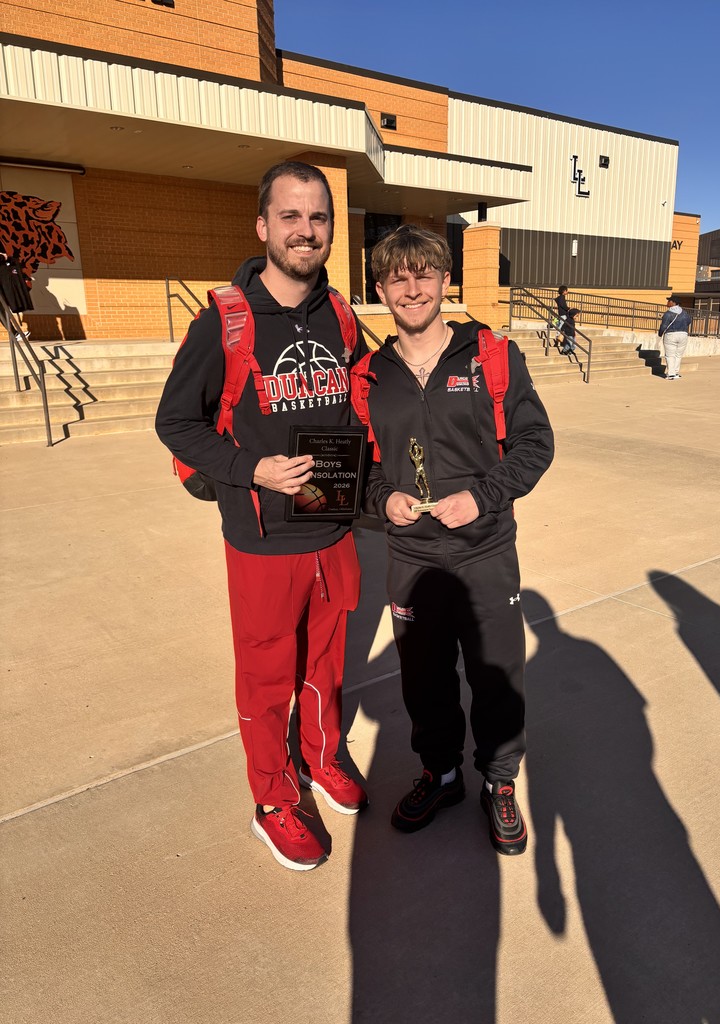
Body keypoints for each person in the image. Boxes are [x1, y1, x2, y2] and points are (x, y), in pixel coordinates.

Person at [156, 161, 368, 872]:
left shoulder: (341, 316)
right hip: (262, 537)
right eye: (291, 216)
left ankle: (320, 758)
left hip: (333, 526)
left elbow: (371, 399)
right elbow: (176, 423)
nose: (305, 231)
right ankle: (272, 798)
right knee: (267, 674)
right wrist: (252, 469)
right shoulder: (223, 321)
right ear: (263, 226)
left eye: (318, 218)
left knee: (327, 666)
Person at [352, 225, 554, 855]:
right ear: (380, 288)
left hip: (486, 550)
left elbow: (534, 444)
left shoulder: (492, 356)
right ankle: (439, 774)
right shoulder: (367, 376)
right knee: (424, 677)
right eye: (397, 278)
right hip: (411, 556)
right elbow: (350, 468)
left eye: (424, 274)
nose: (412, 289)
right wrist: (381, 499)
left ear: (446, 281)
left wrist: (484, 496)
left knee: (497, 674)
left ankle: (498, 782)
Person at [659, 295, 692, 380]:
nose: (667, 302)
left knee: (670, 355)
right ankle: (676, 372)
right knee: (678, 355)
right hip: (683, 335)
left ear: (673, 302)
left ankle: (671, 374)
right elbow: (689, 321)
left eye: (669, 301)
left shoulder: (668, 313)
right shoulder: (684, 313)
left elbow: (664, 326)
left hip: (671, 335)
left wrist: (660, 333)